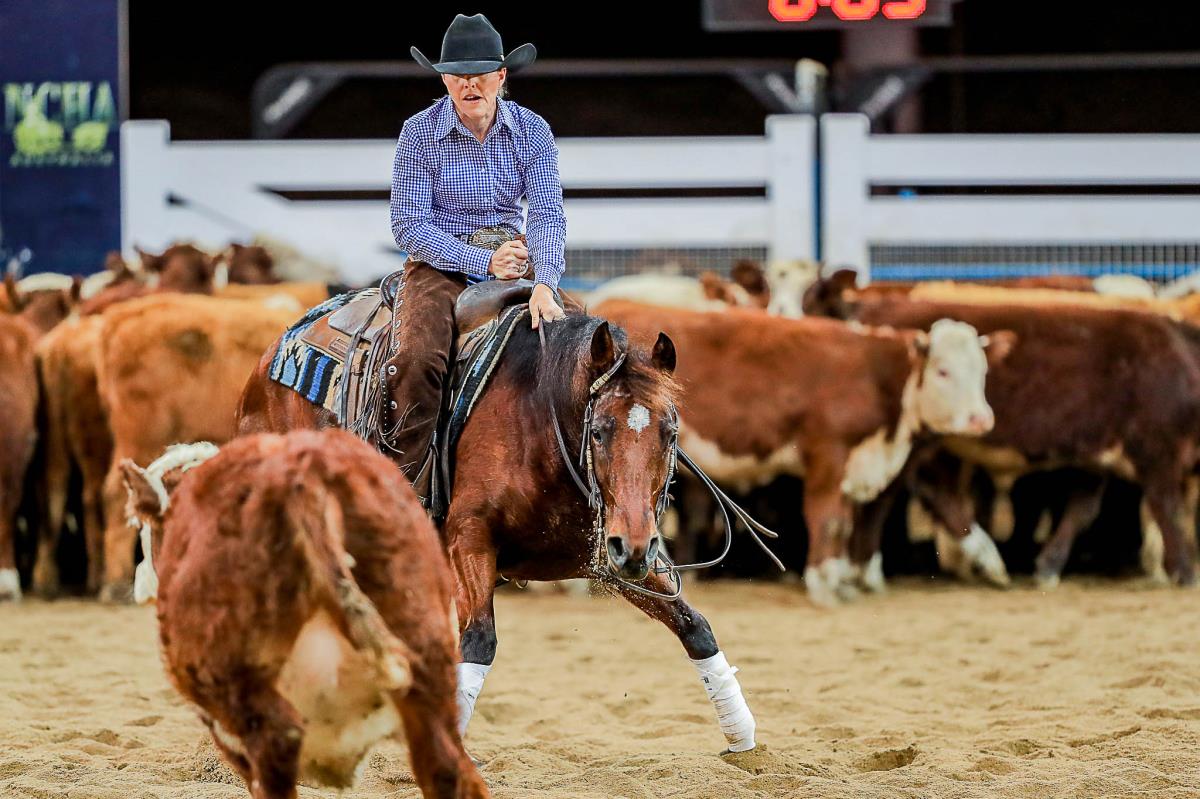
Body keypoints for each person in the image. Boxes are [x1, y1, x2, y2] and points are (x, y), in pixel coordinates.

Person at [387, 13, 567, 496]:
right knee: (417, 358)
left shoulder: (532, 130)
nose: (469, 83)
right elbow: (409, 225)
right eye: (458, 75)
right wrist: (481, 261)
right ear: (445, 80)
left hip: (514, 255)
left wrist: (545, 282)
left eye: (480, 73)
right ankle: (407, 488)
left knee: (577, 349)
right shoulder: (419, 132)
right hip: (440, 262)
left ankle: (566, 486)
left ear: (500, 76)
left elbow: (547, 213)